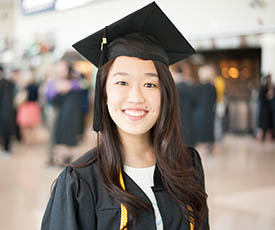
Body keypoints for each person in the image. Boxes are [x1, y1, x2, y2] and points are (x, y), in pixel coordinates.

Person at [41, 2, 209, 230]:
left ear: (166, 94)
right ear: (104, 94)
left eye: (150, 84)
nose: (136, 97)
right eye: (122, 82)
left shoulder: (188, 165)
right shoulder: (79, 183)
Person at [194, 64, 217, 154]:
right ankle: (210, 146)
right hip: (210, 112)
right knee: (210, 129)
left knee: (200, 130)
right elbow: (214, 100)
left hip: (199, 112)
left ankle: (201, 147)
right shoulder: (213, 87)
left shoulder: (198, 87)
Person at [0, 64, 16, 154]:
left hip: (5, 111)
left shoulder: (6, 83)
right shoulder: (8, 83)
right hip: (5, 111)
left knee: (6, 130)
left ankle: (7, 149)